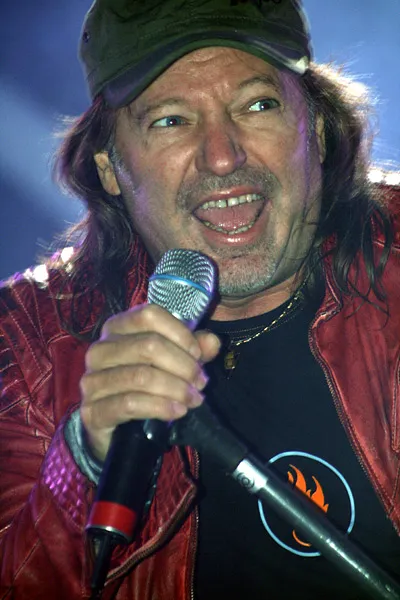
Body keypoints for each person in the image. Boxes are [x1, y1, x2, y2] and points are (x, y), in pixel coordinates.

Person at [1, 0, 400, 598]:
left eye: (257, 105)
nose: (222, 156)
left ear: (316, 130)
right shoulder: (28, 340)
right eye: (171, 120)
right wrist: (83, 462)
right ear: (109, 167)